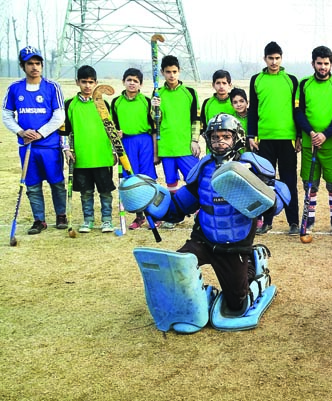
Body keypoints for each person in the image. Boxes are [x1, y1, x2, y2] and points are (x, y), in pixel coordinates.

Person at [120, 114, 287, 329]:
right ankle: (197, 299)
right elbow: (180, 206)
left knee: (236, 305)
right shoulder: (203, 167)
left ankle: (255, 267)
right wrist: (151, 203)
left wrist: (267, 197)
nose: (220, 142)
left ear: (238, 138)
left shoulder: (252, 165)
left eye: (226, 136)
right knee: (176, 269)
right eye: (215, 137)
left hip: (234, 243)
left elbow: (280, 196)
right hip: (203, 238)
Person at [2, 46, 67, 234]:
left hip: (49, 146)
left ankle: (61, 215)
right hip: (27, 147)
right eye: (30, 63)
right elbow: (6, 114)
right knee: (32, 184)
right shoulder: (15, 88)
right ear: (23, 66)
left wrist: (40, 133)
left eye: (38, 63)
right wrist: (21, 132)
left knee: (56, 183)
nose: (34, 67)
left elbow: (59, 115)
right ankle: (39, 219)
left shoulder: (52, 87)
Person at [248, 41, 301, 236]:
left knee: (289, 181)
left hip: (287, 140)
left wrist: (298, 136)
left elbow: (297, 111)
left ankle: (293, 222)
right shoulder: (256, 80)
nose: (274, 62)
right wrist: (251, 135)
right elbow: (253, 110)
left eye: (277, 58)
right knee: (265, 181)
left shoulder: (291, 80)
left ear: (281, 58)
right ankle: (266, 221)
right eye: (270, 58)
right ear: (265, 59)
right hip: (265, 140)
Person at [295, 45, 332, 235]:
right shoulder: (303, 84)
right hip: (310, 144)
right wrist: (310, 132)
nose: (323, 67)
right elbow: (298, 112)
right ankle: (308, 222)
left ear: (331, 64)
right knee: (311, 185)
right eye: (319, 63)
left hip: (331, 144)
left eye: (326, 63)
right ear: (313, 63)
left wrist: (325, 134)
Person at [62, 65, 116, 233]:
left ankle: (107, 220)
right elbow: (64, 130)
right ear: (77, 82)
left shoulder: (103, 103)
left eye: (91, 82)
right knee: (86, 192)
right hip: (81, 157)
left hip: (102, 156)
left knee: (105, 192)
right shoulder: (69, 104)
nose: (87, 86)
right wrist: (66, 149)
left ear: (96, 83)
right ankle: (88, 220)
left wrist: (114, 151)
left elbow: (111, 129)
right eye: (84, 82)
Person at [152, 55, 201, 228]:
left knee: (195, 180)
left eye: (174, 72)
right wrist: (154, 108)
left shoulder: (190, 92)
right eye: (168, 72)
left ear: (179, 71)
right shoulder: (158, 93)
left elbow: (195, 119)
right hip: (167, 147)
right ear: (162, 73)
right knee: (171, 182)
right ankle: (174, 215)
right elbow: (155, 122)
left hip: (185, 146)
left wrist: (194, 140)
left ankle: (199, 211)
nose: (172, 75)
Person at [111, 67, 156, 230]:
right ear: (123, 82)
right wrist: (116, 137)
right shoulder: (116, 102)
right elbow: (112, 127)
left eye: (135, 81)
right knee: (131, 178)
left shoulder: (146, 101)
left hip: (144, 140)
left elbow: (155, 124)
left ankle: (152, 214)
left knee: (147, 177)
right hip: (126, 142)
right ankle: (139, 216)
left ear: (141, 84)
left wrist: (156, 151)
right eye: (129, 80)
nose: (132, 83)